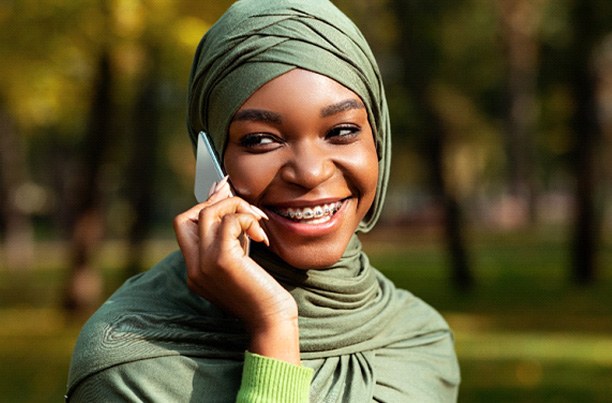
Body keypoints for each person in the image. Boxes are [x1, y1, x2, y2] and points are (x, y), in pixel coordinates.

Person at [66, 0, 460, 401]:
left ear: (378, 140)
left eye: (341, 131)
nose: (309, 172)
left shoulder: (419, 340)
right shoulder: (129, 368)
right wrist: (273, 325)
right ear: (213, 157)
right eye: (260, 140)